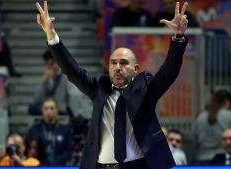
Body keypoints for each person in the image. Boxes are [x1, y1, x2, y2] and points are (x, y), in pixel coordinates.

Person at [36, 1, 189, 169]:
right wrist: (51, 35)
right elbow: (71, 69)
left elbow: (169, 71)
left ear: (135, 68)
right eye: (113, 63)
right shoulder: (99, 86)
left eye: (123, 63)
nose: (117, 67)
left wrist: (178, 37)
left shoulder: (145, 87)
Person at [193, 90, 231, 164]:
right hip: (221, 159)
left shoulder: (200, 117)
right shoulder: (229, 115)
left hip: (201, 159)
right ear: (226, 101)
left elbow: (195, 142)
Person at [27, 98, 73, 165]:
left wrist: (57, 163)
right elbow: (30, 150)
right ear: (42, 110)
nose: (49, 111)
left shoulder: (65, 130)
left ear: (57, 110)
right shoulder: (34, 130)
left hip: (60, 166)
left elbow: (68, 151)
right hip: (39, 166)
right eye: (46, 108)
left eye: (52, 108)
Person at [29, 50, 73, 115]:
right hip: (48, 108)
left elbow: (72, 97)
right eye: (48, 64)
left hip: (60, 109)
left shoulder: (66, 76)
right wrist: (43, 81)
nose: (51, 67)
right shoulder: (47, 76)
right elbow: (36, 99)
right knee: (32, 107)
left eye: (52, 63)